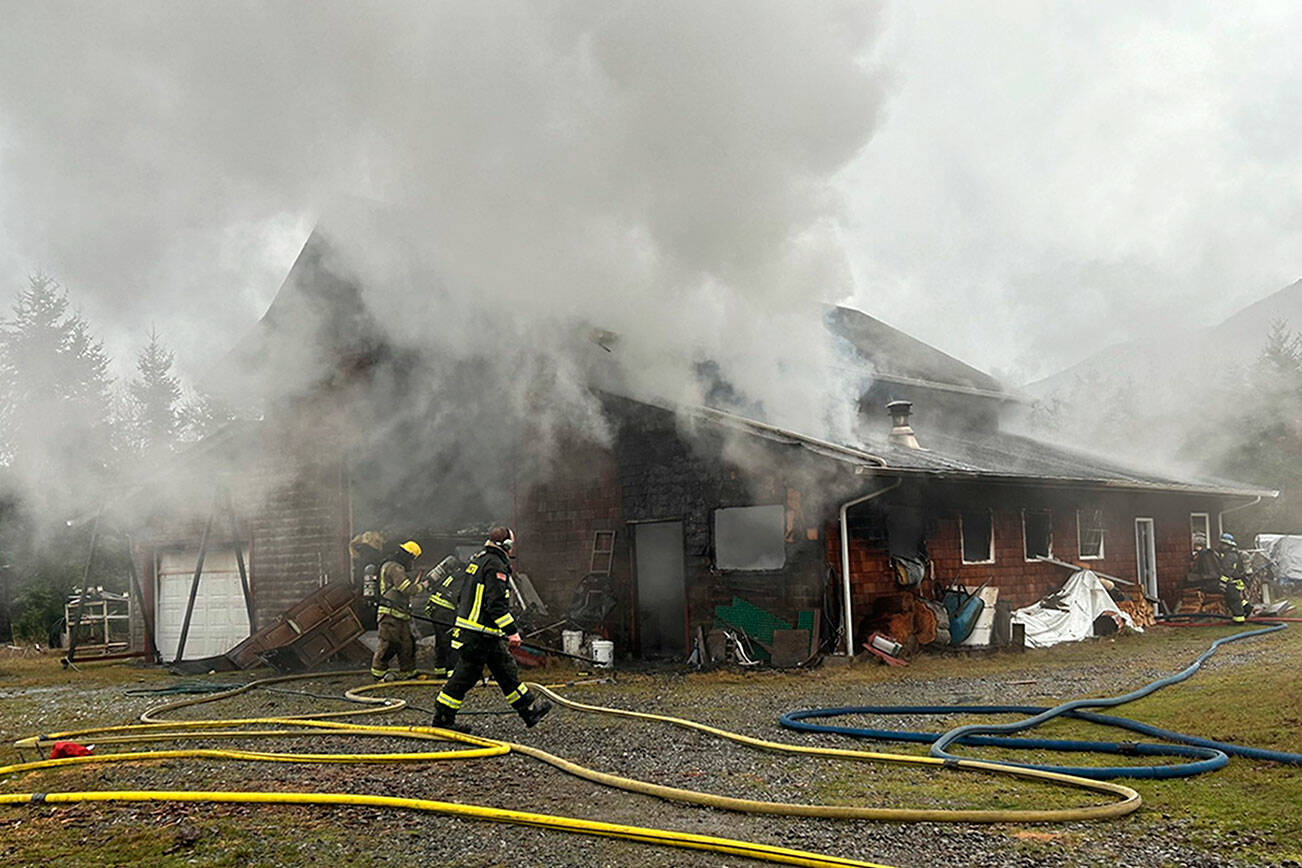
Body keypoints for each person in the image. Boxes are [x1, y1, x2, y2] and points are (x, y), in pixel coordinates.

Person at [433, 527, 551, 730]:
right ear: (507, 546)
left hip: (484, 633)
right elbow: (496, 604)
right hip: (478, 634)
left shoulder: (478, 561)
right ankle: (443, 719)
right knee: (464, 676)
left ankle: (528, 711)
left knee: (506, 671)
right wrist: (512, 631)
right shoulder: (495, 566)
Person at [371, 540, 423, 681]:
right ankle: (379, 673)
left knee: (407, 644)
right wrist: (424, 585)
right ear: (409, 556)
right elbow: (406, 589)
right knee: (388, 643)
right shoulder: (395, 568)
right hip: (389, 613)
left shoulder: (394, 566)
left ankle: (408, 672)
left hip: (400, 613)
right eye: (413, 559)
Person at [1215, 532, 1249, 623]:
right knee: (1238, 598)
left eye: (1222, 544)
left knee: (1233, 600)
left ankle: (1239, 619)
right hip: (1236, 581)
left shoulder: (1229, 556)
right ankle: (1247, 608)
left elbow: (1228, 570)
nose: (1221, 546)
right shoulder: (1231, 554)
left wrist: (1222, 582)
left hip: (1232, 582)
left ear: (1227, 545)